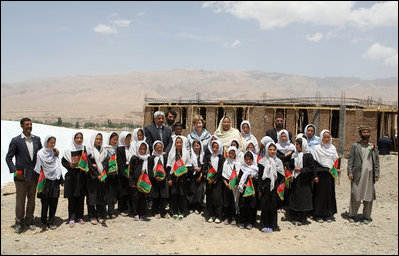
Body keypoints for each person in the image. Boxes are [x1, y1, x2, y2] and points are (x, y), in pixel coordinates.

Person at [6, 117, 43, 233]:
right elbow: (8, 158)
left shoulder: (37, 139)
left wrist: (54, 151)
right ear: (22, 126)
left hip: (33, 175)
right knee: (20, 200)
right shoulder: (16, 140)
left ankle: (30, 220)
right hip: (21, 176)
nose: (29, 126)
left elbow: (42, 154)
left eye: (31, 124)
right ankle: (19, 222)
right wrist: (15, 171)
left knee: (32, 199)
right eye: (27, 124)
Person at [347, 126, 380, 224]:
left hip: (369, 175)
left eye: (368, 132)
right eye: (364, 132)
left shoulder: (373, 146)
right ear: (360, 134)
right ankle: (352, 215)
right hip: (358, 174)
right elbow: (350, 160)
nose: (366, 134)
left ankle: (366, 216)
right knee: (355, 194)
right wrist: (350, 172)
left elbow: (377, 161)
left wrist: (377, 173)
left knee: (368, 196)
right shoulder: (355, 146)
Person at [34, 135, 63, 231]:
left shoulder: (54, 153)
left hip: (54, 181)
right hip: (45, 181)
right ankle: (43, 222)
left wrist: (61, 180)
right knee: (45, 203)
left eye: (54, 143)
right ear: (46, 143)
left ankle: (51, 221)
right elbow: (38, 168)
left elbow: (57, 166)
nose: (53, 144)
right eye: (51, 142)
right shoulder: (40, 153)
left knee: (54, 202)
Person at [311, 130, 338, 223]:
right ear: (321, 138)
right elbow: (313, 163)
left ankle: (328, 214)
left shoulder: (333, 148)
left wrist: (337, 171)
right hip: (320, 174)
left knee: (329, 194)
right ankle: (318, 214)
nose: (326, 139)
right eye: (324, 137)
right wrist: (314, 175)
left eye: (328, 137)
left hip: (330, 174)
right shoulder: (317, 148)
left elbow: (336, 161)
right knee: (319, 195)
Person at [288, 138, 317, 225]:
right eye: (296, 144)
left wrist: (301, 169)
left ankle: (302, 218)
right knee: (296, 197)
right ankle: (295, 217)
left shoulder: (308, 156)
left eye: (298, 145)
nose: (296, 146)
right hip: (296, 180)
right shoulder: (295, 155)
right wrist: (290, 172)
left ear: (302, 145)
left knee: (303, 199)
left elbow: (311, 168)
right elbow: (290, 165)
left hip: (304, 181)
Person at [62, 131, 88, 227]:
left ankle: (80, 216)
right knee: (72, 197)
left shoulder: (84, 149)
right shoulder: (68, 150)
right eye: (77, 137)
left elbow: (87, 160)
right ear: (74, 139)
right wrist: (69, 165)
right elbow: (63, 161)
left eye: (81, 137)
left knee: (81, 197)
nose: (79, 139)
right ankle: (72, 217)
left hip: (81, 176)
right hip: (72, 176)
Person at [258, 142, 283, 233]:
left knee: (273, 206)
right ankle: (264, 225)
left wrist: (278, 187)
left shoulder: (279, 162)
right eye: (270, 149)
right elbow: (260, 176)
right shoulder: (262, 162)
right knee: (264, 206)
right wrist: (260, 189)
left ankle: (273, 225)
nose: (272, 151)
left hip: (275, 188)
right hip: (265, 188)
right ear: (267, 150)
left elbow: (281, 176)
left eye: (274, 150)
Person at [167, 136, 192, 219]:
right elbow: (169, 166)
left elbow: (188, 166)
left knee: (182, 195)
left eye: (180, 142)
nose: (179, 144)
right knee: (174, 194)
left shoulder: (186, 153)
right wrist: (169, 178)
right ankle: (174, 211)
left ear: (182, 143)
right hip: (174, 178)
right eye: (177, 142)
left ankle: (182, 211)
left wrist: (182, 172)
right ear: (175, 143)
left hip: (183, 178)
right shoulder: (171, 153)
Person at [86, 132, 107, 225]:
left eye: (100, 139)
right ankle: (92, 216)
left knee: (100, 197)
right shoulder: (89, 151)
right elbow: (88, 165)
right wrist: (96, 175)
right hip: (92, 178)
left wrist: (102, 174)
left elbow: (106, 163)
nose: (98, 141)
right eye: (97, 139)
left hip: (102, 177)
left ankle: (100, 215)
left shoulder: (104, 151)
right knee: (92, 197)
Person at [202, 140, 225, 223]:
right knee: (209, 198)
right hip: (209, 181)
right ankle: (211, 215)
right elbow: (205, 168)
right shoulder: (208, 157)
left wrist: (214, 179)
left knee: (217, 198)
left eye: (216, 147)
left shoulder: (221, 158)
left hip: (217, 182)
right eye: (213, 147)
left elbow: (220, 170)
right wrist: (207, 177)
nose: (215, 149)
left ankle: (218, 215)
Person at [129, 141, 151, 221]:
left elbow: (149, 170)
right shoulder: (134, 158)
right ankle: (135, 213)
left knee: (143, 198)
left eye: (144, 149)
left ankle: (142, 213)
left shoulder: (147, 158)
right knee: (135, 198)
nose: (142, 151)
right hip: (135, 182)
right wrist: (131, 182)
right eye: (140, 149)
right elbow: (130, 171)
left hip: (144, 182)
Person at [148, 140, 170, 219]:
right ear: (154, 148)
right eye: (158, 148)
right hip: (154, 180)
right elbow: (149, 169)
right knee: (155, 197)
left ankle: (163, 211)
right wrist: (154, 176)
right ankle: (155, 211)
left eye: (161, 147)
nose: (160, 149)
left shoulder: (164, 157)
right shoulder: (151, 158)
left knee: (163, 197)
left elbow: (167, 169)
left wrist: (167, 178)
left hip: (163, 180)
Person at [237, 151, 258, 230]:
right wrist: (243, 184)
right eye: (246, 160)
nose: (248, 161)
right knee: (243, 206)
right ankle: (242, 221)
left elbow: (258, 180)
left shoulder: (256, 169)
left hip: (252, 191)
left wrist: (253, 179)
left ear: (253, 159)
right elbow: (239, 178)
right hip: (244, 191)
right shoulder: (242, 168)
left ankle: (251, 222)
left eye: (250, 159)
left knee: (252, 207)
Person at [101, 132, 119, 220]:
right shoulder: (105, 149)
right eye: (114, 139)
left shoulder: (117, 150)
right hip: (107, 175)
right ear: (109, 139)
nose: (115, 141)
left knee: (112, 194)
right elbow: (102, 161)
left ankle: (111, 211)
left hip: (114, 175)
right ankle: (104, 212)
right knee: (105, 193)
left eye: (116, 140)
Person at [222, 146, 241, 225]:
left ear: (235, 154)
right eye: (229, 153)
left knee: (234, 202)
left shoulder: (238, 163)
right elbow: (223, 175)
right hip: (227, 186)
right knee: (227, 202)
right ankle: (227, 217)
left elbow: (239, 175)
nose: (231, 155)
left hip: (235, 187)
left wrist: (235, 184)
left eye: (232, 153)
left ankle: (233, 217)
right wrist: (226, 183)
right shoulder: (225, 163)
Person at [116, 131, 133, 217]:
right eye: (127, 138)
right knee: (122, 191)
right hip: (123, 172)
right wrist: (124, 173)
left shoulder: (131, 147)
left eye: (130, 138)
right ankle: (122, 208)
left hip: (130, 169)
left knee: (129, 191)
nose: (128, 140)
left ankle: (128, 207)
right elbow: (120, 162)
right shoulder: (120, 149)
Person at [187, 140, 205, 214]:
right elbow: (187, 165)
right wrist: (194, 168)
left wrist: (201, 175)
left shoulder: (202, 155)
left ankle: (198, 207)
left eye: (198, 145)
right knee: (192, 192)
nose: (196, 147)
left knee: (200, 192)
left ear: (200, 146)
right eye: (195, 146)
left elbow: (204, 166)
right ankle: (191, 207)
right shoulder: (190, 154)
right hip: (192, 176)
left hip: (200, 176)